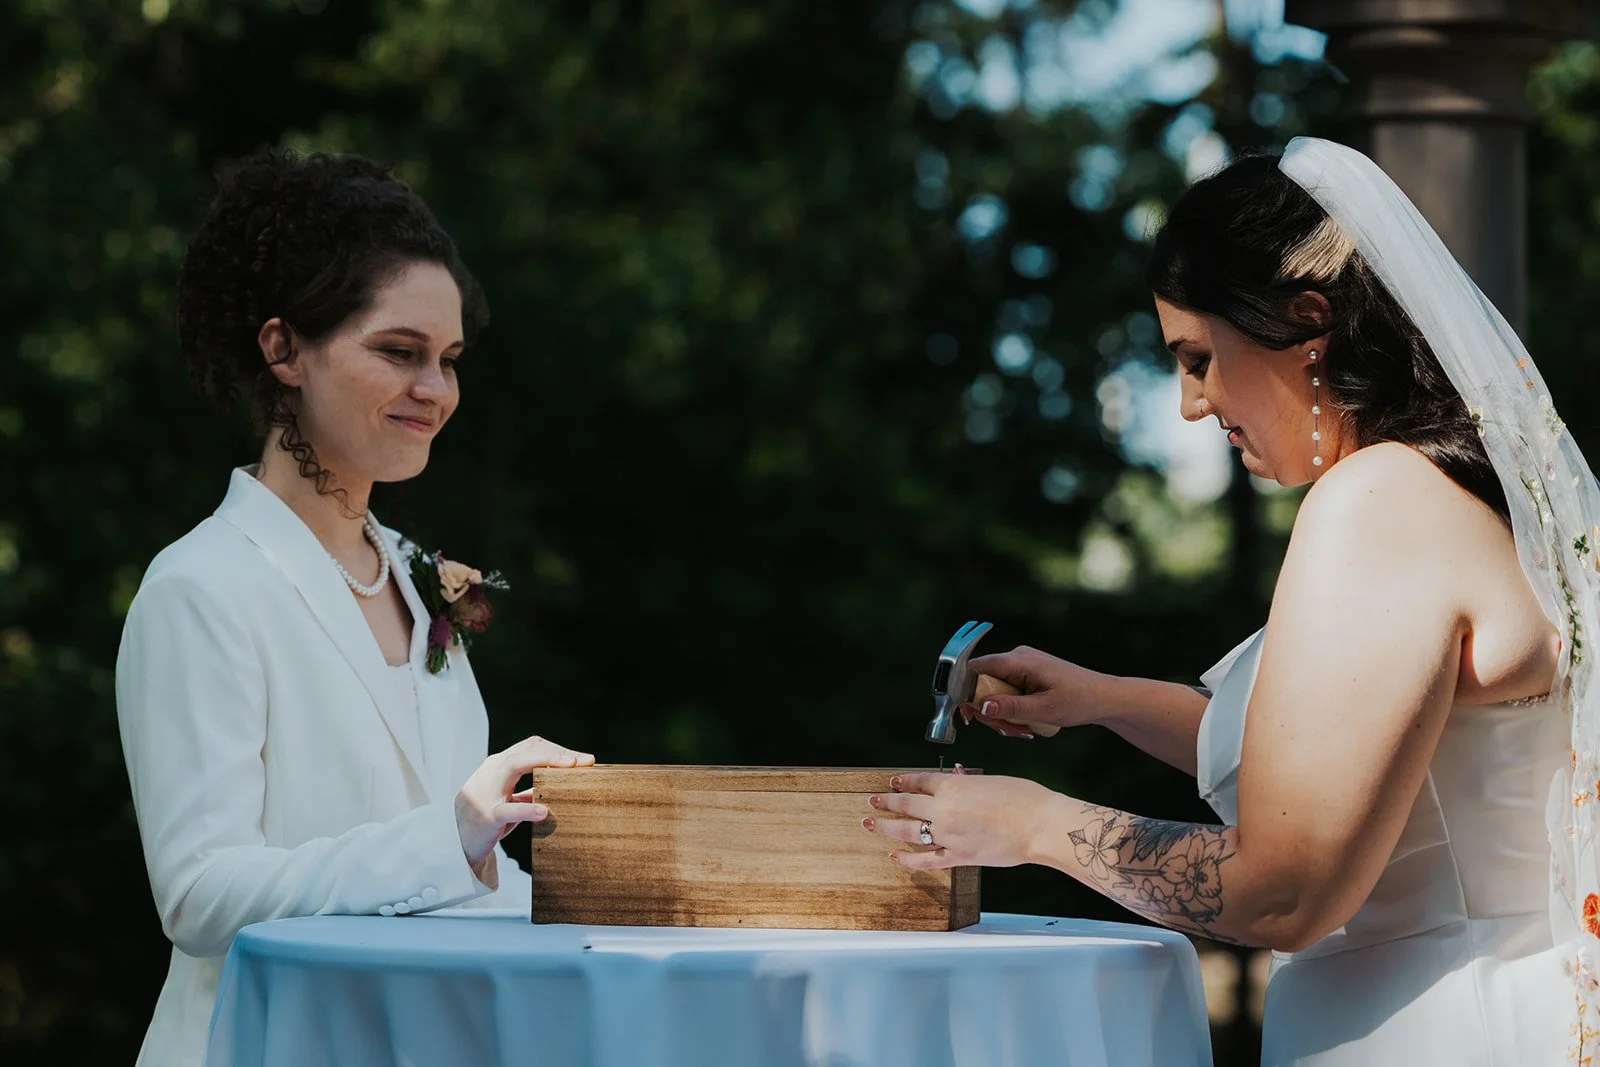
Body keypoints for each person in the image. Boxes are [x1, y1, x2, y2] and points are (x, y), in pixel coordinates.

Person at [864, 137, 1595, 1065]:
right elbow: (1343, 759)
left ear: (1305, 323)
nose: (1190, 404)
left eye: (1199, 357)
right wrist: (1100, 698)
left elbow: (1283, 889)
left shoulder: (1378, 502)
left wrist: (1033, 825)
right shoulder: (1456, 493)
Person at [116, 149, 594, 1067]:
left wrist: (617, 912)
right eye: (399, 352)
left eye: (448, 360)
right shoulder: (199, 587)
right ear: (283, 350)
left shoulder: (418, 575)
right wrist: (453, 832)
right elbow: (200, 895)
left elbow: (463, 876)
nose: (436, 390)